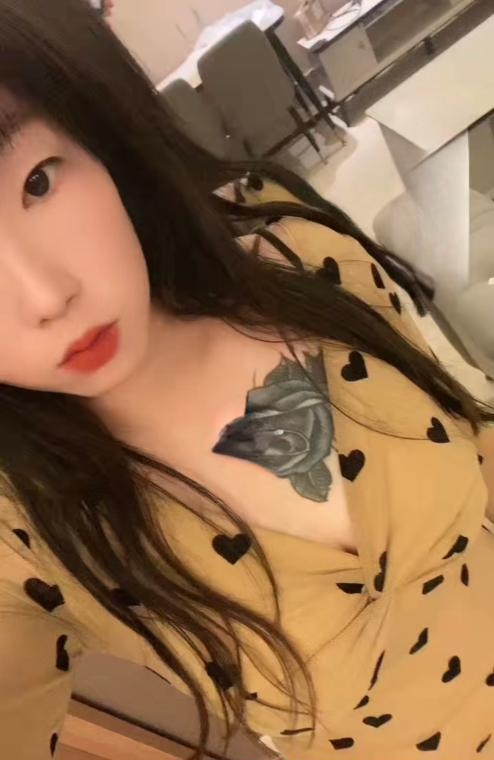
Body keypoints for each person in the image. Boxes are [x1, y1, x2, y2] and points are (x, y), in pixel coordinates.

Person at [0, 1, 493, 759]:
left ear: (95, 131)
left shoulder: (287, 247)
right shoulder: (26, 537)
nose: (45, 296)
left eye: (37, 182)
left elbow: (471, 432)